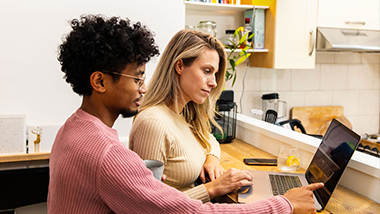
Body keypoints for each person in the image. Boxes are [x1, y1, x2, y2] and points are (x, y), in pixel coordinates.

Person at [48, 14, 323, 214]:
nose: (143, 88)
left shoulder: (72, 129)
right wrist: (284, 204)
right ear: (99, 82)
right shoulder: (109, 153)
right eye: (137, 79)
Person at [129, 29, 248, 203]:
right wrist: (212, 188)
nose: (214, 82)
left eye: (214, 74)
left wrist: (212, 159)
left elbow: (210, 140)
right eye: (207, 71)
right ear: (179, 66)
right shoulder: (153, 123)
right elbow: (147, 206)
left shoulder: (183, 113)